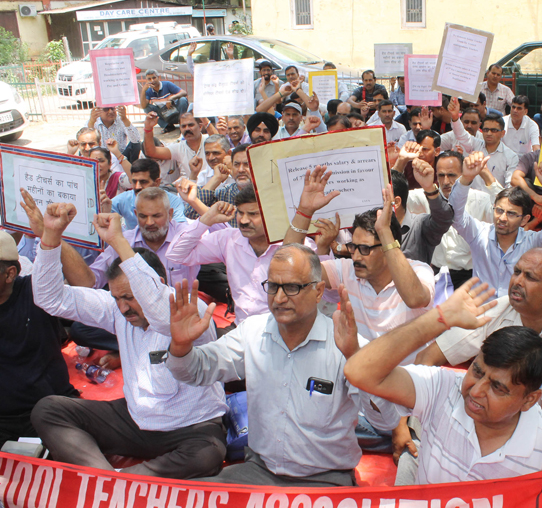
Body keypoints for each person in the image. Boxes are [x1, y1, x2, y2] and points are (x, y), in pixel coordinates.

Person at [341, 278, 542, 507]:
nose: (476, 390)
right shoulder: (442, 389)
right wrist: (439, 319)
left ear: (530, 400)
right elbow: (359, 372)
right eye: (476, 370)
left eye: (498, 387)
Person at [166, 244, 399, 485]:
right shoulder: (253, 332)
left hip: (325, 482)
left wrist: (356, 360)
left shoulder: (346, 344)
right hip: (258, 472)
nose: (279, 298)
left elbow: (386, 421)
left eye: (291, 287)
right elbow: (194, 371)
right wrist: (181, 346)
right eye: (273, 287)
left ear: (319, 291)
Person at [31, 209, 227, 478]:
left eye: (130, 297)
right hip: (133, 420)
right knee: (49, 410)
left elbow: (160, 314)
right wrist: (51, 237)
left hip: (190, 428)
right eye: (117, 298)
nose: (123, 307)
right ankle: (109, 479)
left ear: (158, 283)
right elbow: (50, 299)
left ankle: (119, 482)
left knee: (207, 455)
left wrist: (118, 241)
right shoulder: (117, 308)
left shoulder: (188, 308)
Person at [417, 247, 542, 432]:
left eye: (530, 277)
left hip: (536, 438)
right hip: (481, 420)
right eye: (517, 272)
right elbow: (427, 358)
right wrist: (424, 419)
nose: (517, 281)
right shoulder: (500, 308)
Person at [283, 167, 435, 362]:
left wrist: (384, 230)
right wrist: (304, 212)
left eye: (364, 249)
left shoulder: (419, 270)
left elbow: (415, 299)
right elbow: (291, 267)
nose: (355, 257)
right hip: (361, 379)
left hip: (407, 382)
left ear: (389, 246)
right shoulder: (346, 271)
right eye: (353, 247)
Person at [167, 184, 316, 326]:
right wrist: (207, 219)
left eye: (253, 214)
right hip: (242, 331)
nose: (244, 221)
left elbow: (325, 292)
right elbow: (176, 254)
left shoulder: (300, 245)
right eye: (240, 212)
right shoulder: (228, 239)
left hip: (287, 331)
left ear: (272, 215)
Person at [0, 230, 78, 446]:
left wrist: (50, 234)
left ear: (10, 274)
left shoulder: (37, 293)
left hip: (50, 410)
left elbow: (86, 284)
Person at [450, 152, 542, 296]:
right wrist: (466, 179)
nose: (502, 218)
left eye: (511, 213)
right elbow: (455, 216)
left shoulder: (533, 242)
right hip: (482, 313)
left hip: (517, 313)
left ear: (524, 219)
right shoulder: (479, 234)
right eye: (499, 211)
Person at [406, 151, 501, 289]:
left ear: (464, 174)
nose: (445, 182)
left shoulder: (480, 200)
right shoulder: (426, 195)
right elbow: (395, 198)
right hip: (436, 276)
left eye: (451, 175)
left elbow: (507, 210)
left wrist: (485, 173)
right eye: (441, 175)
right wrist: (399, 162)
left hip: (471, 277)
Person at [389, 166, 454, 265]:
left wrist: (429, 188)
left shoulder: (419, 226)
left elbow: (443, 219)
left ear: (396, 202)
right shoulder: (368, 227)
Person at [111, 158, 187, 231]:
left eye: (143, 182)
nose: (137, 187)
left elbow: (181, 230)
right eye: (134, 182)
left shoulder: (173, 201)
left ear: (157, 182)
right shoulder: (125, 198)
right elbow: (104, 216)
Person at [142, 111, 207, 185]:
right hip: (191, 190)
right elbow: (151, 152)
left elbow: (221, 141)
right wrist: (148, 128)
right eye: (183, 126)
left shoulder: (209, 140)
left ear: (200, 127)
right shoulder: (179, 147)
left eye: (190, 125)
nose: (187, 129)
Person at [480, 114, 520, 188]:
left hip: (495, 197)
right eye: (486, 130)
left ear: (503, 133)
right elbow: (460, 134)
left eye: (494, 130)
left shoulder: (511, 157)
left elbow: (510, 186)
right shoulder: (474, 146)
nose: (489, 133)